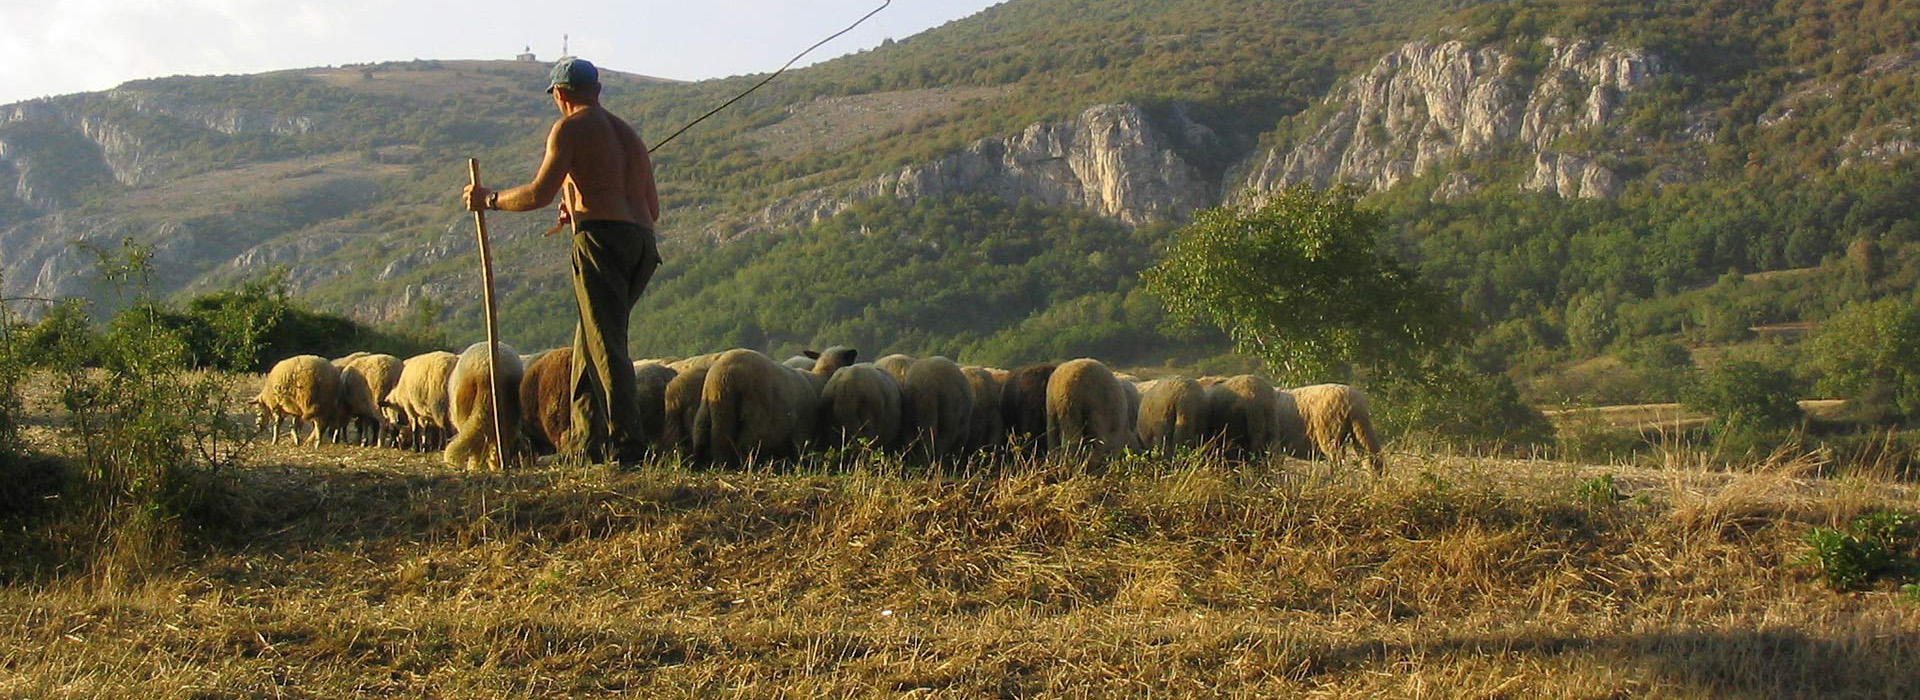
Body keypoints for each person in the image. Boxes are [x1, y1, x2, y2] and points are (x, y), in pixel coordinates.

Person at [463, 57, 660, 463]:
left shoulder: (569, 128)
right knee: (590, 340)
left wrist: (489, 199)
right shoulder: (630, 135)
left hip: (601, 242)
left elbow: (538, 193)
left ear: (559, 93)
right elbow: (651, 209)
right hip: (641, 243)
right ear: (597, 89)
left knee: (606, 346)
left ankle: (629, 450)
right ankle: (584, 444)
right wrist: (582, 203)